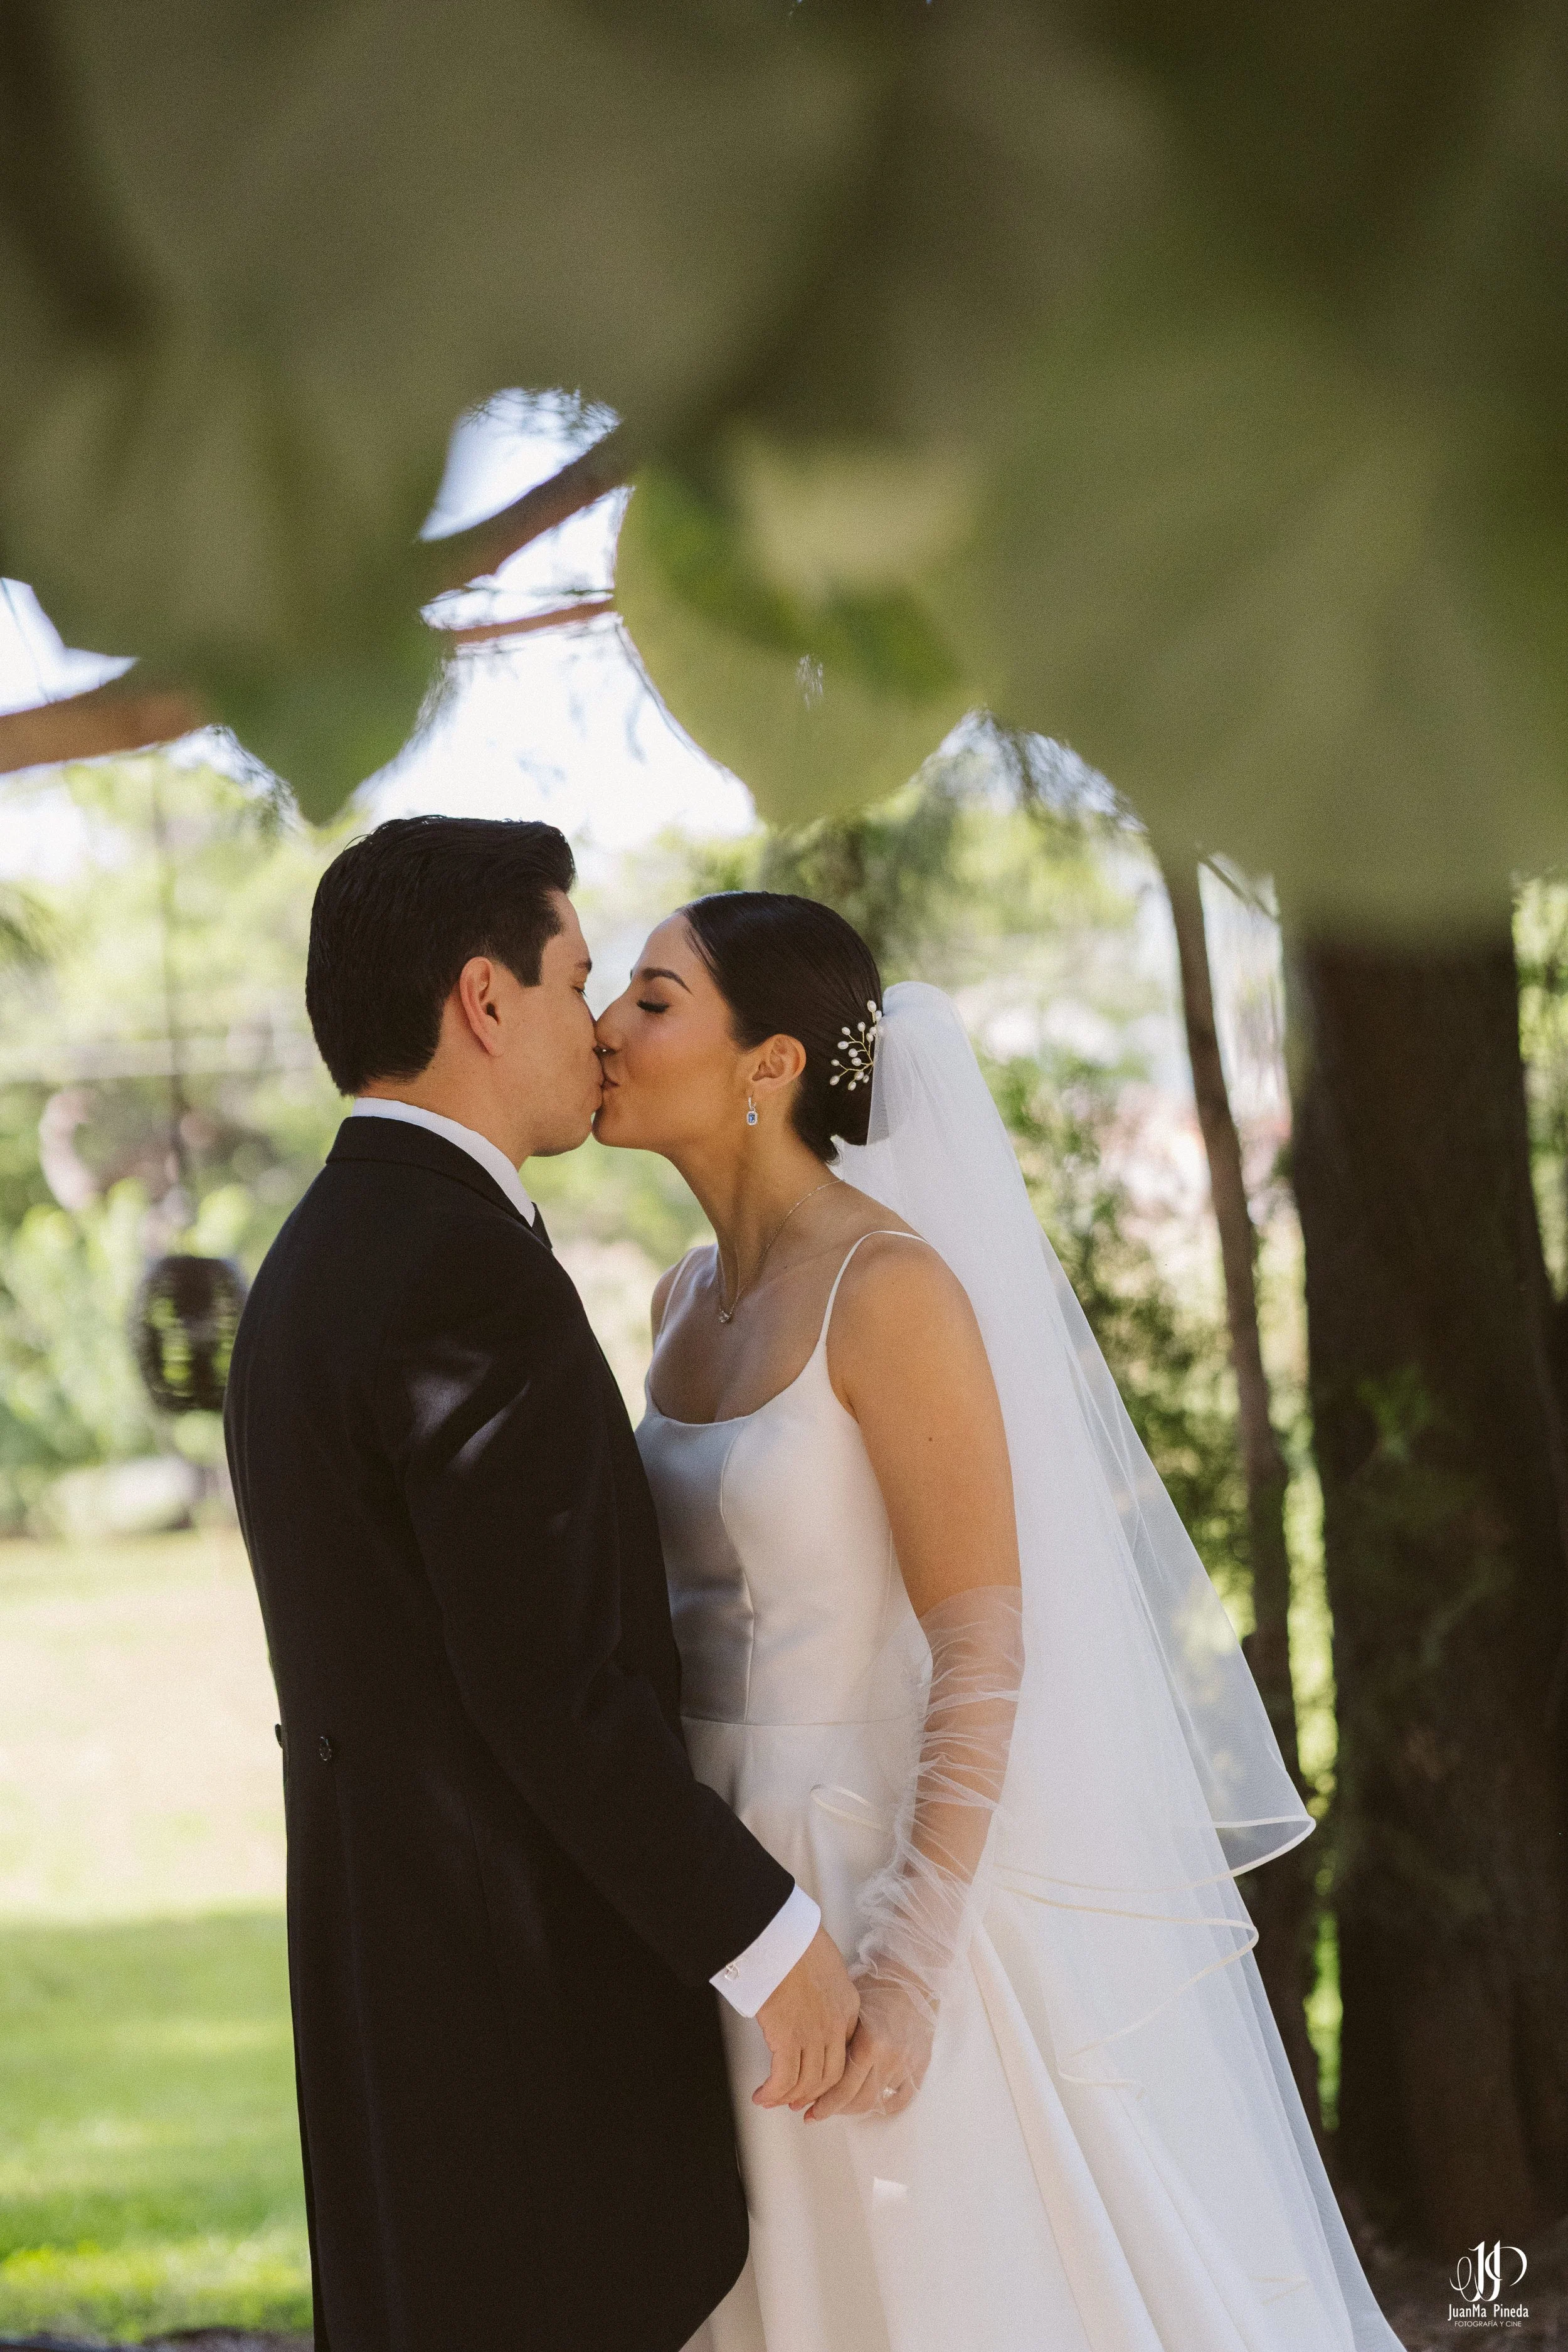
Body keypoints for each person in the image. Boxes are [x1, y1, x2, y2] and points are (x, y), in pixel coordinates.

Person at [593, 888, 1407, 2352]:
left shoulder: (888, 1288)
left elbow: (979, 1642)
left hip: (860, 1870)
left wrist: (908, 1966)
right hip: (706, 1881)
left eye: (650, 1001)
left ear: (769, 1064)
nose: (602, 1030)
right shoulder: (675, 1299)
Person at [223, 819, 860, 2352]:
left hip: (392, 2002)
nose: (595, 1026)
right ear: (484, 1000)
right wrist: (777, 1948)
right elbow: (550, 1691)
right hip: (515, 2030)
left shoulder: (317, 1256)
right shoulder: (457, 1273)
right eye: (580, 977)